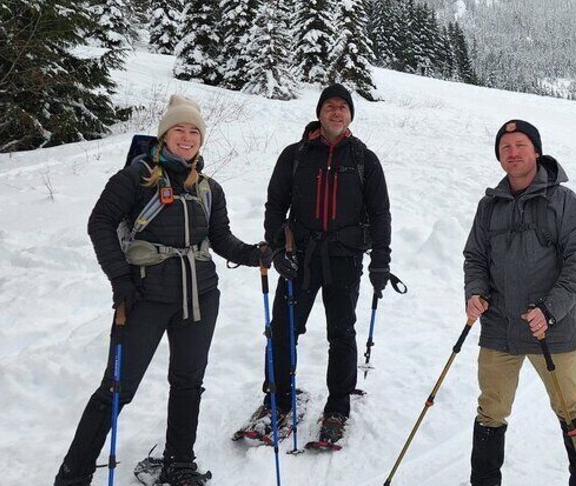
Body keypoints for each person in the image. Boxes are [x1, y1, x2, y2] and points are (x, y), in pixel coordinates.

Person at [54, 94, 270, 486]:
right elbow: (99, 223)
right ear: (164, 135)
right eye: (179, 130)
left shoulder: (208, 188)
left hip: (200, 295)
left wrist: (259, 254)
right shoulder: (135, 178)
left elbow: (220, 239)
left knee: (188, 382)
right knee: (118, 388)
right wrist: (120, 279)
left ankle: (179, 463)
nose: (186, 138)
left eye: (194, 132)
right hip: (145, 295)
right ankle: (73, 475)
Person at [255, 83, 392, 444]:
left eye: (342, 107)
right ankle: (279, 397)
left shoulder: (364, 159)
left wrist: (380, 261)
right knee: (284, 328)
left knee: (342, 333)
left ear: (350, 115)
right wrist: (278, 249)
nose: (336, 112)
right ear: (319, 113)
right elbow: (273, 205)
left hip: (345, 259)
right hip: (299, 258)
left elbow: (380, 214)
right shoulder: (296, 155)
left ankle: (338, 406)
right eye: (329, 106)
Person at [463, 119, 576, 485]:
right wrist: (474, 293)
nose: (513, 152)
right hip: (499, 327)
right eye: (505, 147)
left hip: (551, 329)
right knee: (490, 410)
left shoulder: (563, 201)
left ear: (536, 151)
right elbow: (475, 257)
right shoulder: (489, 206)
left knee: (570, 408)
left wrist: (551, 309)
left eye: (520, 144)